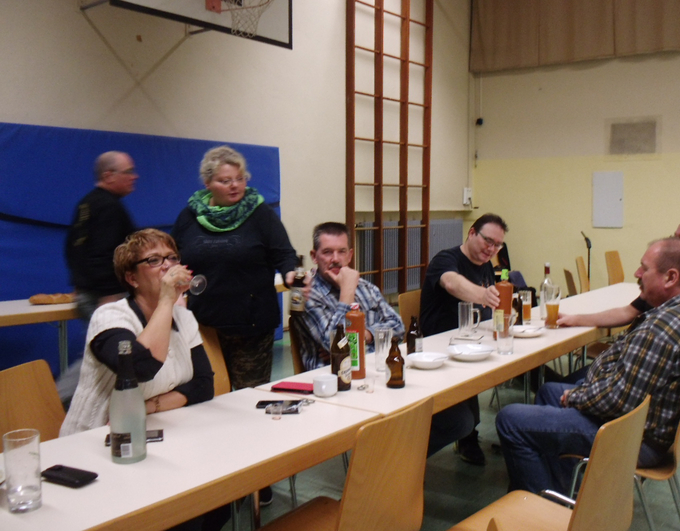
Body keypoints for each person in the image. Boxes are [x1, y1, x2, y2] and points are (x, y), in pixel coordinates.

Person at [495, 238, 680, 495]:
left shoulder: (661, 330)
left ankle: (545, 508)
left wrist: (576, 396)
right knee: (548, 391)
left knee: (509, 419)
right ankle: (563, 491)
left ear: (671, 277)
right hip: (647, 425)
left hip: (633, 437)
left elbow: (618, 401)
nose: (637, 273)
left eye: (644, 268)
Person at [61, 229, 214, 436]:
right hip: (96, 435)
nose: (168, 266)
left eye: (172, 258)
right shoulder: (108, 317)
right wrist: (166, 300)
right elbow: (139, 368)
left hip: (154, 429)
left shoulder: (183, 318)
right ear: (132, 278)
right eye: (154, 260)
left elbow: (204, 384)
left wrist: (149, 406)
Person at [172, 145, 298, 390]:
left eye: (240, 178)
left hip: (251, 326)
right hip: (204, 323)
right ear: (208, 183)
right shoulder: (190, 215)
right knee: (209, 396)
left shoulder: (260, 214)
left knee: (247, 396)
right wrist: (175, 290)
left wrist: (291, 273)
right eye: (225, 180)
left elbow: (284, 253)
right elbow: (173, 257)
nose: (235, 185)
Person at [558, 215, 680, 353]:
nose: (675, 243)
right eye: (675, 237)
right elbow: (627, 312)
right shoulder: (665, 280)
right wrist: (576, 319)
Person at [420, 213, 508, 465]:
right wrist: (483, 295)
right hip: (440, 349)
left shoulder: (487, 265)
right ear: (471, 233)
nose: (491, 249)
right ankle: (404, 456)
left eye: (497, 245)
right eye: (487, 241)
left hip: (472, 343)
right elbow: (452, 283)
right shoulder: (446, 259)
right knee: (460, 421)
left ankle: (473, 436)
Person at [298, 222, 404, 371]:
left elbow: (398, 326)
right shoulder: (308, 295)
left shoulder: (366, 287)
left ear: (349, 255)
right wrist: (347, 293)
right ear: (314, 257)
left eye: (342, 251)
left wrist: (365, 335)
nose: (335, 259)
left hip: (372, 369)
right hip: (333, 376)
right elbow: (336, 345)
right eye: (327, 252)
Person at [65, 151, 138, 321]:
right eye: (128, 171)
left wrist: (79, 283)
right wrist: (109, 295)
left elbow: (72, 248)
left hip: (87, 294)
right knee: (113, 338)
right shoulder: (109, 207)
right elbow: (104, 253)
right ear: (108, 176)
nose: (135, 176)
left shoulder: (86, 203)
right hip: (105, 298)